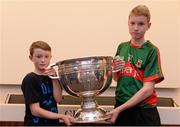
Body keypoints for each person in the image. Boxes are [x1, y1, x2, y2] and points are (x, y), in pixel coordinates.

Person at [106, 5, 164, 126]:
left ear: (149, 25)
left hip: (143, 110)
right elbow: (117, 78)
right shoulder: (122, 47)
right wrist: (115, 69)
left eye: (141, 24)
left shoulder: (152, 50)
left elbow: (148, 89)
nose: (136, 28)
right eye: (132, 23)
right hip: (121, 105)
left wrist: (119, 109)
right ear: (128, 24)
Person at [21, 41, 75, 126]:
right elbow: (35, 111)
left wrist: (54, 77)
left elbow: (58, 99)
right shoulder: (30, 79)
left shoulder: (52, 77)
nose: (43, 60)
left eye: (46, 57)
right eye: (39, 57)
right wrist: (61, 116)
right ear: (31, 58)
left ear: (50, 57)